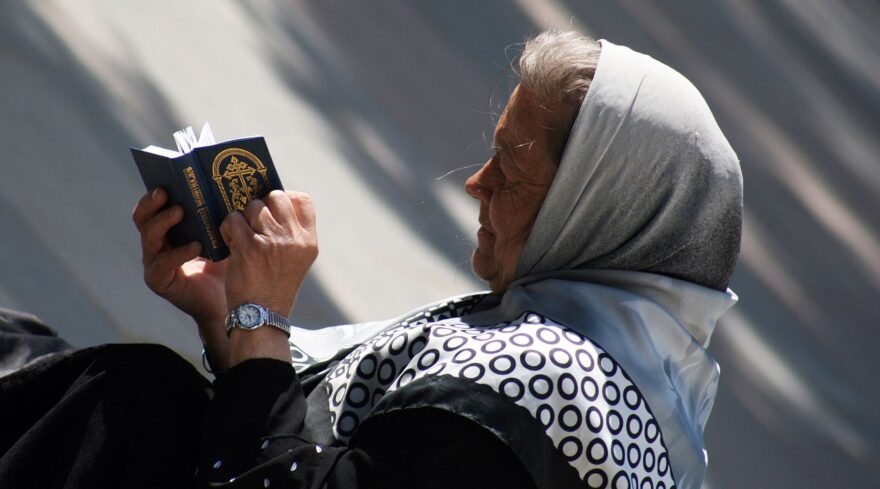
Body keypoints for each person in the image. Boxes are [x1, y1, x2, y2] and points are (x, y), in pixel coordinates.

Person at [0, 29, 741, 489]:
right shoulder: (594, 381)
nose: (476, 185)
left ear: (598, 214)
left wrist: (262, 322)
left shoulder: (550, 387)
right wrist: (225, 312)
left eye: (511, 175)